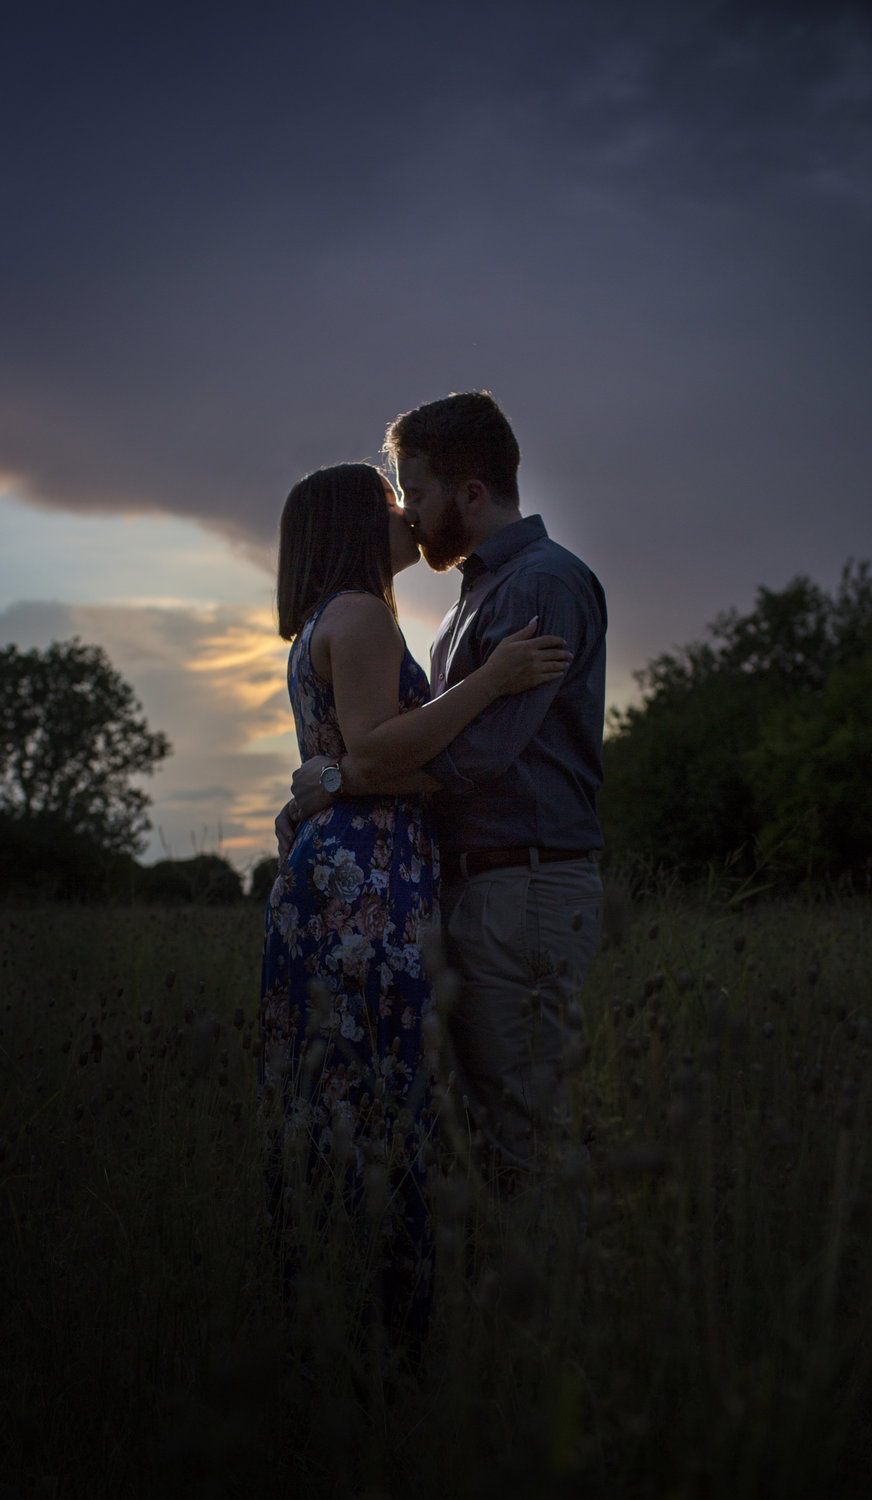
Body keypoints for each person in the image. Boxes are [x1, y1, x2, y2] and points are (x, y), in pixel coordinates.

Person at [259, 459, 570, 1337]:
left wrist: (324, 778)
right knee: (372, 1088)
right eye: (389, 502)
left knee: (350, 1088)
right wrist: (493, 680)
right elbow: (380, 750)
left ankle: (344, 1309)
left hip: (355, 860)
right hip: (365, 871)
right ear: (356, 524)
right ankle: (377, 1325)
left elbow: (352, 759)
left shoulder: (338, 617)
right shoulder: (357, 615)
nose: (407, 515)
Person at [289, 393, 607, 1181]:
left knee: (520, 1127)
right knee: (471, 1128)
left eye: (418, 493)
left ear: (470, 494)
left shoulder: (543, 584)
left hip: (523, 882)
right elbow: (447, 736)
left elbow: (482, 755)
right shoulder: (467, 602)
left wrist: (342, 776)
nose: (410, 514)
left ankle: (555, 1294)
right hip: (467, 883)